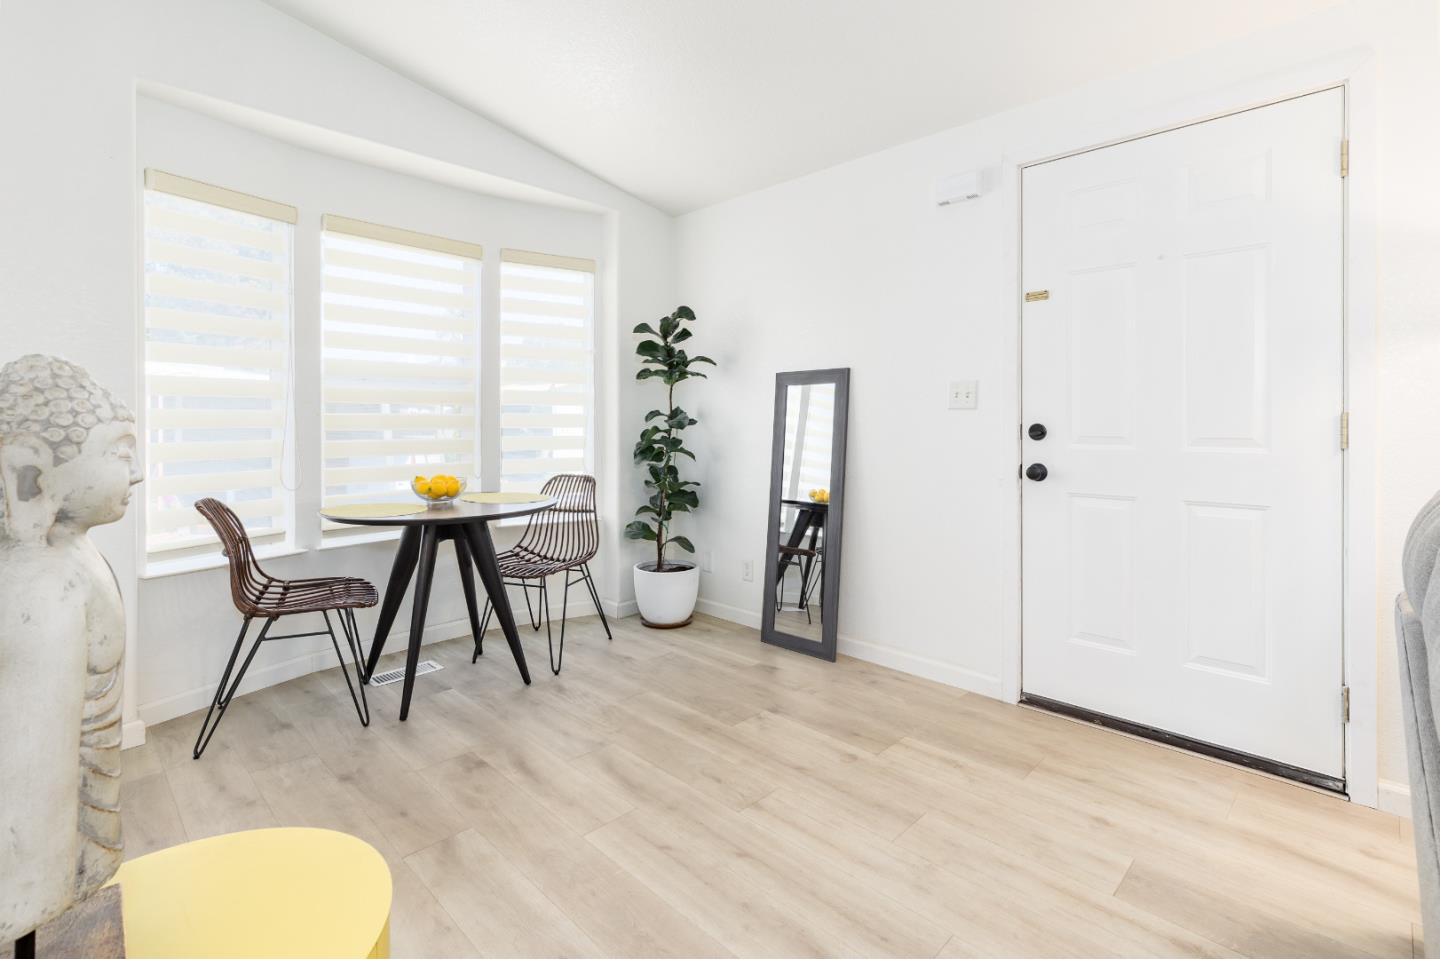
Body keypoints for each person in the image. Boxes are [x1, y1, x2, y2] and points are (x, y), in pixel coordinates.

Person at [0, 354, 139, 943]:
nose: (136, 476)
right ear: (31, 478)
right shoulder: (43, 590)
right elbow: (31, 790)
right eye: (120, 452)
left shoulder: (68, 560)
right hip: (50, 868)